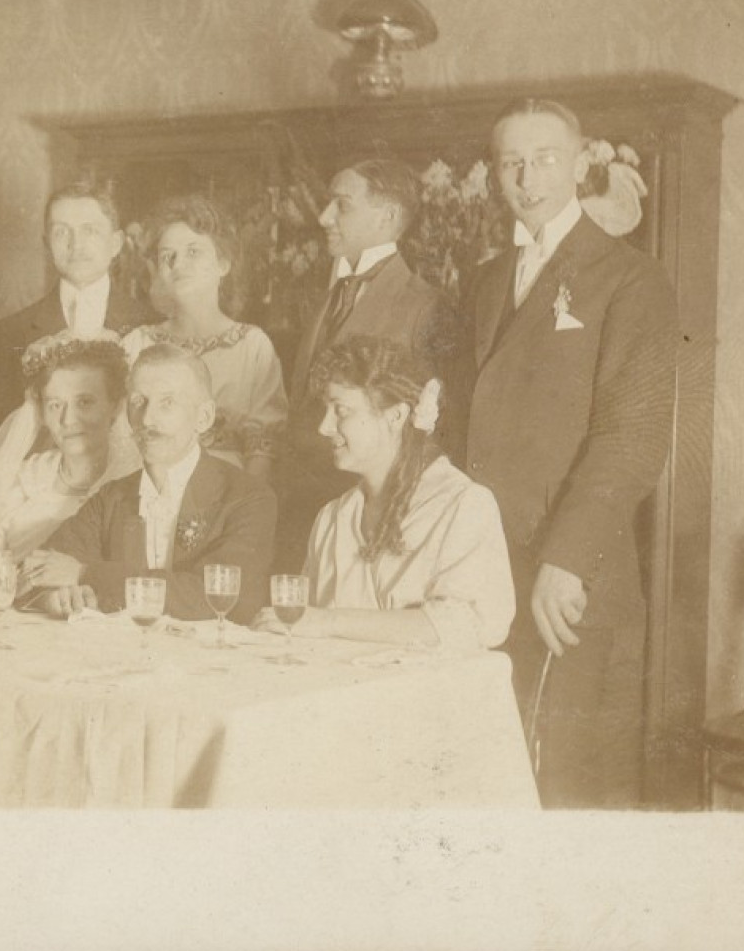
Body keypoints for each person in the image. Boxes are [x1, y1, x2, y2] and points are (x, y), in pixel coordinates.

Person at [460, 98, 678, 808]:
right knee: (492, 784)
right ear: (495, 174)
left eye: (545, 157)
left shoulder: (628, 277)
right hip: (488, 571)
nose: (528, 176)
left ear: (581, 163)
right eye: (510, 162)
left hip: (572, 580)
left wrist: (566, 557)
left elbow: (631, 435)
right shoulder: (487, 279)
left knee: (570, 792)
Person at [258, 335, 513, 652]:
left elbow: (467, 624)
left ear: (395, 416)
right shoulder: (333, 518)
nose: (323, 427)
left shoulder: (463, 505)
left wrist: (327, 622)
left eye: (341, 410)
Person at [277, 160, 457, 568]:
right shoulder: (324, 297)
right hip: (298, 510)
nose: (324, 218)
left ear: (388, 215)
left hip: (366, 521)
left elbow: (433, 429)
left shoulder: (426, 306)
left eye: (342, 205)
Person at [39, 344, 276, 624]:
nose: (148, 419)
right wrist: (56, 597)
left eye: (167, 402)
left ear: (204, 418)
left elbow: (212, 597)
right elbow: (42, 567)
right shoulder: (113, 497)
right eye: (139, 402)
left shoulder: (248, 498)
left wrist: (85, 574)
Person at [0, 333, 139, 597]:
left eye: (85, 402)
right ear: (41, 413)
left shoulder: (133, 482)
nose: (68, 419)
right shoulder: (27, 479)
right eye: (55, 405)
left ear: (115, 407)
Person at [119, 194, 288, 481]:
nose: (178, 264)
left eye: (193, 252)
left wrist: (242, 511)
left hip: (228, 491)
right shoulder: (137, 344)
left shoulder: (251, 346)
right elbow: (121, 441)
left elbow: (264, 446)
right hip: (148, 486)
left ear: (223, 264)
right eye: (167, 256)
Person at [0, 179, 154, 440]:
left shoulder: (148, 323)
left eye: (89, 230)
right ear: (47, 245)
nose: (76, 244)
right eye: (61, 232)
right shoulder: (11, 332)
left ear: (115, 243)